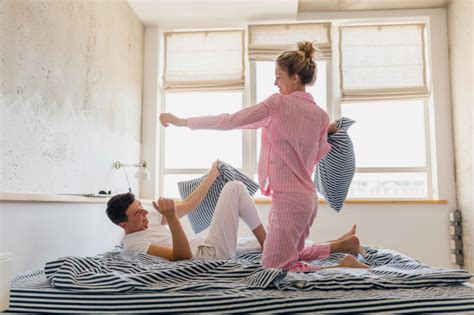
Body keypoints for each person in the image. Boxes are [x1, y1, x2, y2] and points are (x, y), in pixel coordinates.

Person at [159, 41, 355, 272]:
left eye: (279, 77)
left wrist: (183, 122)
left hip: (289, 201)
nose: (275, 83)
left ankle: (342, 268)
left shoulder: (278, 103)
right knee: (288, 254)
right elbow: (316, 155)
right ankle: (343, 247)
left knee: (273, 268)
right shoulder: (321, 116)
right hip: (308, 200)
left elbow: (229, 121)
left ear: (294, 78)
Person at [105, 162, 368, 269]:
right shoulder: (133, 244)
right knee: (234, 188)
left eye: (142, 206)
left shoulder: (147, 214)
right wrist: (172, 218)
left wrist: (211, 176)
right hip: (206, 254)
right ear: (123, 224)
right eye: (137, 213)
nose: (144, 213)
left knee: (277, 245)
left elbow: (187, 205)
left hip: (207, 242)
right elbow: (181, 256)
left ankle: (341, 245)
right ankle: (337, 263)